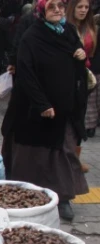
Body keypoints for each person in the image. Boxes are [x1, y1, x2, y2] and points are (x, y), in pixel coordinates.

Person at [1, 0, 89, 221]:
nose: (58, 10)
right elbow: (26, 72)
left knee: (65, 151)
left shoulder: (68, 30)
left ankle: (64, 198)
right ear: (42, 11)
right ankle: (29, 197)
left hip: (65, 107)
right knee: (35, 157)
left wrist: (80, 55)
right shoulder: (32, 36)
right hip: (35, 111)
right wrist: (42, 104)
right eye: (52, 7)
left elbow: (77, 62)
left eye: (61, 5)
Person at [66, 0, 96, 173]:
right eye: (80, 7)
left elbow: (92, 52)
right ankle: (67, 158)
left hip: (85, 77)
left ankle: (75, 158)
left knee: (80, 117)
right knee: (70, 118)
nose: (83, 10)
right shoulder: (66, 28)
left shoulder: (90, 28)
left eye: (86, 7)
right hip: (69, 78)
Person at [9, 1, 38, 74]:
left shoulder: (25, 19)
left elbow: (18, 42)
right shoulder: (58, 20)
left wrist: (12, 62)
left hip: (29, 60)